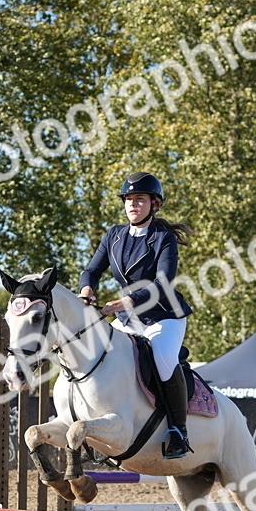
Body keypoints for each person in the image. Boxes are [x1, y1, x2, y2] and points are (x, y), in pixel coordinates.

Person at [78, 171, 195, 458]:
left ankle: (179, 431)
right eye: (129, 199)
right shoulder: (114, 236)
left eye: (139, 199)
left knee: (163, 360)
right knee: (101, 355)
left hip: (163, 317)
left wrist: (126, 301)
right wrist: (86, 289)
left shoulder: (162, 238)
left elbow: (163, 283)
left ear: (154, 204)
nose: (133, 204)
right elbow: (92, 269)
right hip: (130, 321)